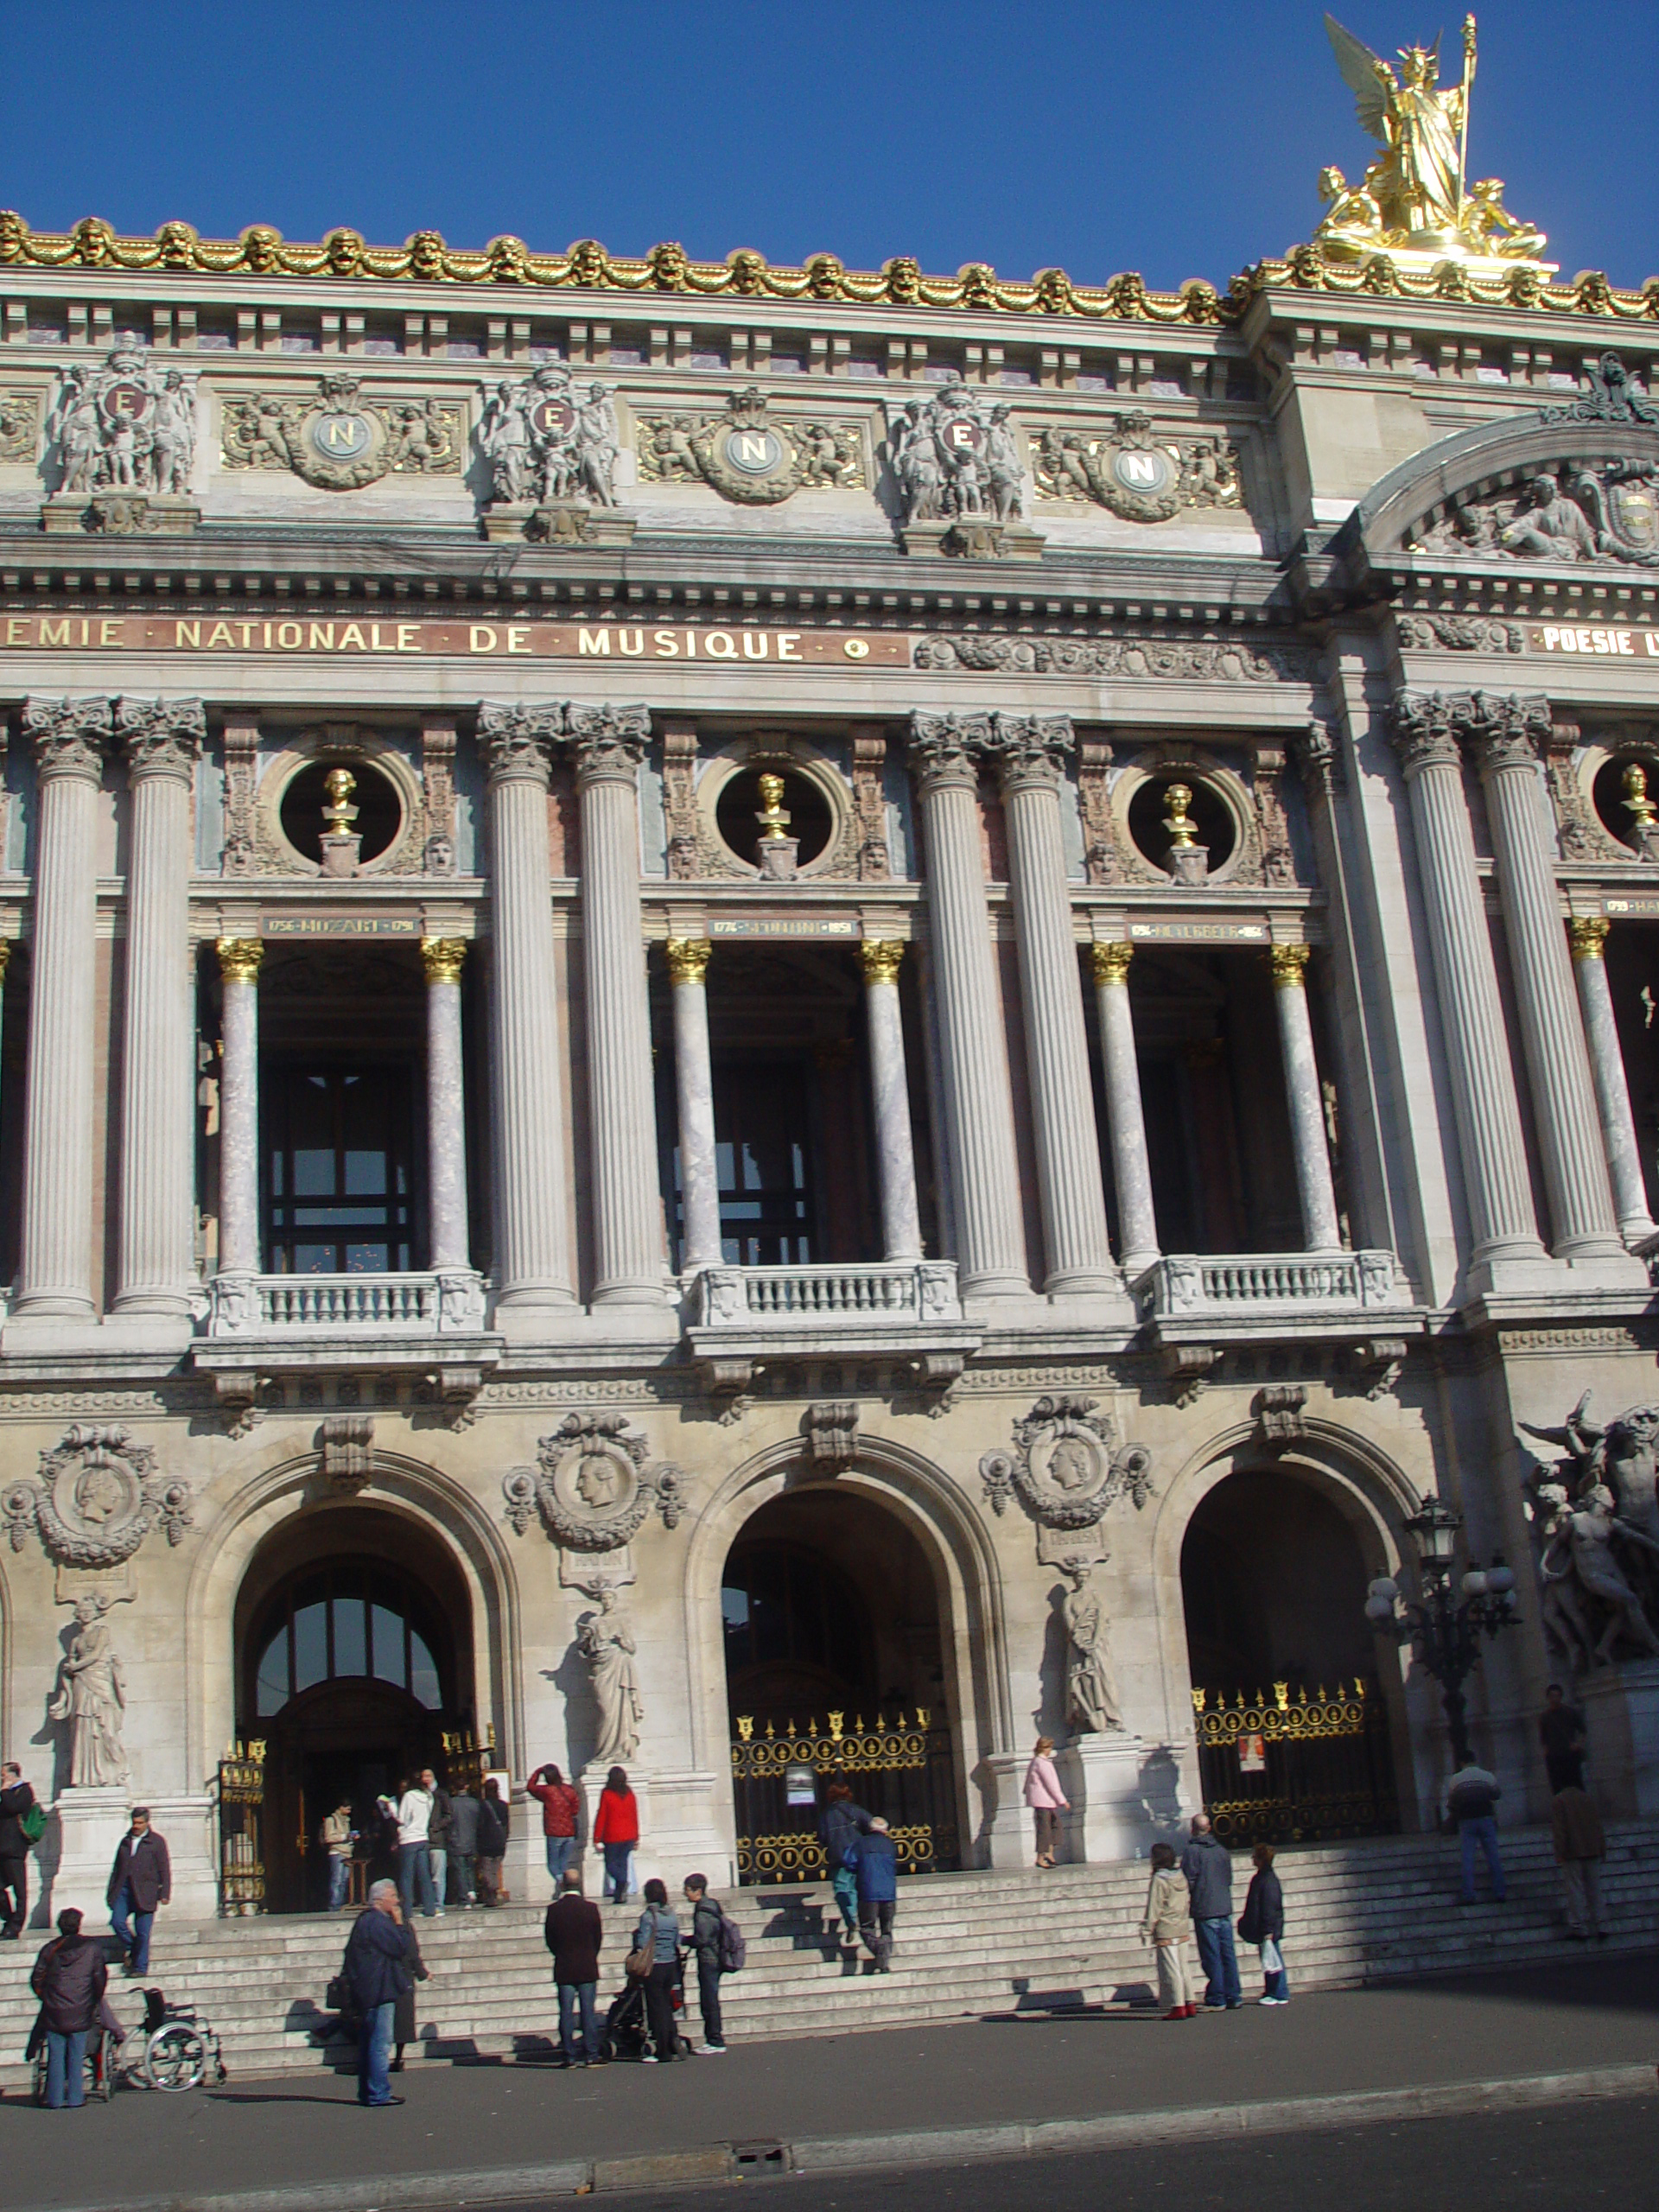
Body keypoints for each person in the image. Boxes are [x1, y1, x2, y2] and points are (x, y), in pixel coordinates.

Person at [342, 1878, 413, 2107]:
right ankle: (378, 2092)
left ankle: (368, 2091)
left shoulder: (364, 1921)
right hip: (379, 1989)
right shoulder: (378, 1922)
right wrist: (400, 1923)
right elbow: (400, 1947)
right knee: (380, 2043)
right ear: (380, 1899)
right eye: (392, 1896)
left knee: (369, 2042)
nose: (396, 1901)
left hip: (367, 1988)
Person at [30, 1907, 108, 2109]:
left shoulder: (50, 1949)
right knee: (76, 2053)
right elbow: (99, 1978)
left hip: (54, 2007)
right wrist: (93, 1999)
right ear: (78, 1925)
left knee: (55, 2055)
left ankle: (54, 2098)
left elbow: (36, 1978)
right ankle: (75, 2096)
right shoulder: (92, 1948)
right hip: (81, 2006)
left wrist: (45, 1996)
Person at [1180, 1814, 1242, 2010]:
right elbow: (1228, 1878)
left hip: (1205, 1908)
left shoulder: (1192, 1852)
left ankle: (1217, 1995)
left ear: (1193, 1828)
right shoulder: (1221, 1851)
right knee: (1228, 1954)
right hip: (1223, 1906)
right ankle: (1233, 1994)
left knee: (1212, 1955)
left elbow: (1187, 1880)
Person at [545, 1864, 604, 2067]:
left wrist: (561, 1954)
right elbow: (597, 1938)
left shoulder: (554, 1910)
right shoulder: (590, 1909)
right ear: (580, 1885)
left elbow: (550, 1940)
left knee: (566, 2013)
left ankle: (569, 2055)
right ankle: (591, 2053)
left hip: (564, 1966)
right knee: (588, 2012)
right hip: (587, 1965)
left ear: (562, 1885)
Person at [107, 1805, 170, 1977]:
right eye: (134, 1822)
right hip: (124, 1889)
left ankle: (140, 1967)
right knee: (117, 1922)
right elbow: (116, 1868)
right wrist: (111, 1892)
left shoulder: (156, 1842)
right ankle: (133, 1948)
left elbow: (164, 1868)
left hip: (146, 1891)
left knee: (143, 1933)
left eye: (140, 1823)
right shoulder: (125, 1841)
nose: (136, 1826)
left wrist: (165, 1892)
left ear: (147, 1823)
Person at [1140, 1840, 1195, 2018]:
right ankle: (1190, 2001)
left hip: (1166, 1927)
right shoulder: (1181, 1876)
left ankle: (1178, 2005)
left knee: (1172, 1969)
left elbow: (1154, 1907)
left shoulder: (1159, 1879)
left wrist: (1147, 1928)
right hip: (1181, 1925)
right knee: (1184, 1967)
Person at [633, 1876, 684, 2062]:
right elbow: (677, 1939)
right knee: (667, 2005)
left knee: (657, 2008)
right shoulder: (671, 1915)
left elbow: (643, 1942)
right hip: (671, 1963)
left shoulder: (648, 1917)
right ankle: (673, 2040)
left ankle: (663, 2050)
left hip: (655, 1964)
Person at [817, 1777, 871, 1952]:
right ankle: (855, 1915)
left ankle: (851, 1919)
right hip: (857, 1856)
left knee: (842, 1889)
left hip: (838, 1857)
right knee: (854, 1888)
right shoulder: (856, 1810)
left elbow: (822, 1838)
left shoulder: (827, 1815)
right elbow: (872, 1825)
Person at [1551, 1783, 1608, 1940]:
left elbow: (1560, 1829)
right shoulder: (1587, 1798)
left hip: (1573, 1852)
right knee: (1595, 1888)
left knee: (1575, 1889)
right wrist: (1602, 1848)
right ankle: (1600, 1924)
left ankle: (1579, 1926)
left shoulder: (1559, 1801)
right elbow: (1597, 1826)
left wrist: (1559, 1851)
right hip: (1592, 1849)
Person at [1446, 1759, 1507, 1904]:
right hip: (1485, 1818)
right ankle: (1500, 1892)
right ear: (1475, 1761)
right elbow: (1496, 1794)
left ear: (1463, 1763)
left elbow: (1452, 1802)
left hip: (1466, 1820)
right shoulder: (1486, 1776)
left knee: (1467, 1858)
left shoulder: (1456, 1779)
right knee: (1493, 1856)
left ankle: (1468, 1894)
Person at [845, 1815, 899, 1973]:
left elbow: (849, 1862)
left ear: (870, 1828)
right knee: (886, 1929)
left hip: (868, 1892)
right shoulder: (891, 1845)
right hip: (888, 1893)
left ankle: (879, 1951)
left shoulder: (860, 1844)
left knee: (867, 1927)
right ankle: (883, 1962)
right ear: (886, 1830)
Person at [1237, 1842, 1288, 2005]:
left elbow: (1269, 1906)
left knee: (1272, 1959)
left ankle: (1277, 1992)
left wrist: (1267, 1929)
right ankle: (1274, 1990)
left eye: (1254, 1856)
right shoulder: (1265, 1878)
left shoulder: (1266, 1880)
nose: (1252, 1859)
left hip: (1267, 1927)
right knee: (1271, 1959)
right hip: (1266, 1926)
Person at [683, 1874, 728, 2052]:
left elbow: (702, 1938)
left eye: (687, 1890)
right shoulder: (712, 1906)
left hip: (709, 1959)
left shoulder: (703, 1911)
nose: (685, 1894)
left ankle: (715, 2039)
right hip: (714, 1956)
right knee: (710, 1998)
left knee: (709, 2000)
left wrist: (685, 1940)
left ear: (698, 1891)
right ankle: (713, 2038)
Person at [383, 1773, 437, 1919]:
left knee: (407, 1876)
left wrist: (391, 1806)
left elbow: (402, 1818)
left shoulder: (409, 1797)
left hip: (409, 1839)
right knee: (424, 1875)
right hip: (423, 1837)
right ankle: (430, 1908)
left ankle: (407, 1910)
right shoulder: (428, 1797)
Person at [527, 1762, 583, 1888]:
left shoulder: (547, 1791)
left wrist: (538, 1772)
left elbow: (530, 1787)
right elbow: (575, 1810)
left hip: (554, 1832)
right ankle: (565, 1885)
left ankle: (561, 1882)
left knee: (552, 1865)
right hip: (569, 1832)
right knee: (563, 1863)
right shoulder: (570, 1790)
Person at [1, 1759, 38, 1939]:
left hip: (14, 1849)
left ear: (12, 1774)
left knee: (19, 1890)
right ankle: (8, 1918)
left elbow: (13, 1807)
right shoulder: (6, 1793)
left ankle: (15, 1926)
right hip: (2, 1848)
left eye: (4, 1775)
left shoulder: (24, 1791)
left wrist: (5, 1790)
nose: (2, 1778)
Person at [391, 1915, 431, 2072]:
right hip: (402, 1979)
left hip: (391, 1978)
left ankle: (396, 2057)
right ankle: (398, 2057)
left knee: (395, 2022)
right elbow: (413, 1954)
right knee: (401, 2022)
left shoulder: (378, 1925)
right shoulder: (405, 1928)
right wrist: (422, 1973)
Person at [594, 1765, 638, 1905]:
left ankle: (621, 1882)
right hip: (629, 1834)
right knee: (622, 1863)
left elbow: (602, 1815)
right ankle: (619, 1895)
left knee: (611, 1864)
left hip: (612, 1835)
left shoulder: (607, 1793)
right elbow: (634, 1814)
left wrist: (596, 1837)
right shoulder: (630, 1793)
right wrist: (636, 1835)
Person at [1023, 1737, 1068, 1870]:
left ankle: (1049, 1853)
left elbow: (1027, 1784)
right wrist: (1062, 1800)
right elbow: (1051, 1784)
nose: (1051, 1751)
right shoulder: (1041, 1763)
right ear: (1045, 1748)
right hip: (1043, 1802)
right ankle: (1041, 1858)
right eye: (1049, 1748)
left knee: (1055, 1826)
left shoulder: (1037, 1762)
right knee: (1044, 1830)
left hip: (1047, 1802)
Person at [1539, 1685, 1588, 1796]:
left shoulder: (1570, 1712)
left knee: (1575, 1784)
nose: (1555, 1699)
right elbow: (1543, 1737)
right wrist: (1547, 1752)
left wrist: (1578, 1745)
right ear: (1548, 1698)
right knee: (1558, 1788)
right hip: (1554, 1756)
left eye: (1557, 1696)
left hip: (1570, 1754)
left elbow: (1583, 1731)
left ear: (1561, 1697)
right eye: (1552, 1696)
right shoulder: (1545, 1717)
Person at [475, 1777, 509, 1907]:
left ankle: (491, 1892)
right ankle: (494, 1893)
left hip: (486, 1843)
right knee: (495, 1869)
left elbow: (480, 1825)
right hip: (500, 1843)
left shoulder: (483, 1805)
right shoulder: (503, 1805)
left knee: (486, 1871)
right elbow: (506, 1824)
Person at [448, 1781, 480, 1908]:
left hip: (457, 1841)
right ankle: (471, 1891)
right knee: (470, 1869)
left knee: (460, 1870)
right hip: (471, 1841)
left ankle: (464, 1897)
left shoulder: (451, 1804)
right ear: (467, 1786)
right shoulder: (474, 1803)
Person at [424, 1770, 451, 1914]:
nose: (425, 1779)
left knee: (437, 1875)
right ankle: (428, 1904)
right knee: (425, 1875)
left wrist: (435, 1827)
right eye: (424, 1776)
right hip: (422, 1839)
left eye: (428, 1776)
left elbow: (449, 1815)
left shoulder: (441, 1795)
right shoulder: (419, 1795)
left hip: (436, 1840)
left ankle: (438, 1904)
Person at [322, 1800, 355, 1914]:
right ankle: (334, 1904)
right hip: (337, 1852)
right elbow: (329, 1837)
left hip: (347, 1852)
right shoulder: (331, 1820)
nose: (349, 1811)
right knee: (337, 1879)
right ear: (341, 1807)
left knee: (345, 1879)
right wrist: (344, 1836)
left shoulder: (346, 1821)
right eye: (347, 1808)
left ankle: (340, 1902)